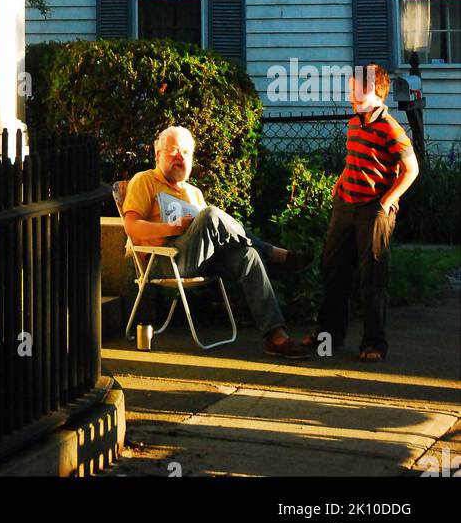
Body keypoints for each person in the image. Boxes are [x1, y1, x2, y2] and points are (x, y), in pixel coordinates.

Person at [122, 125, 312, 359]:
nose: (179, 156)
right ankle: (272, 253)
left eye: (185, 152)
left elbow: (212, 234)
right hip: (164, 261)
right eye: (172, 151)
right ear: (157, 154)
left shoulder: (194, 192)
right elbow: (131, 227)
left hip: (199, 258)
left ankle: (276, 337)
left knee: (248, 257)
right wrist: (173, 228)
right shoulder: (145, 180)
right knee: (211, 214)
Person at [305, 63, 418, 363]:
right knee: (333, 270)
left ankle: (374, 343)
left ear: (376, 92)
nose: (353, 93)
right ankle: (328, 335)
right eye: (352, 86)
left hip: (374, 210)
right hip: (346, 205)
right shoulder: (355, 123)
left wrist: (388, 200)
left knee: (373, 277)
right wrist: (341, 182)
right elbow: (355, 158)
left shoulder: (390, 128)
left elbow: (412, 169)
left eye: (360, 88)